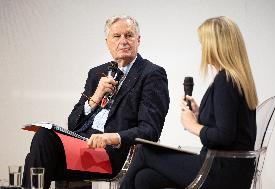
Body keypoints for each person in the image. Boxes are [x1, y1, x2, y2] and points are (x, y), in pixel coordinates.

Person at [22, 15, 170, 189]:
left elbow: (149, 131)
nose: (123, 41)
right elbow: (73, 124)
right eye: (116, 36)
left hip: (112, 154)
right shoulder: (97, 73)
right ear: (107, 42)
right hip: (82, 145)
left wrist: (110, 138)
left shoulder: (151, 74)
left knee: (43, 148)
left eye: (129, 35)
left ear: (138, 40)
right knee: (42, 140)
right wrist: (95, 97)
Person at [119, 16, 258, 189]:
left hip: (221, 171)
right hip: (229, 169)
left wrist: (192, 125)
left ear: (215, 45)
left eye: (203, 43)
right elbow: (229, 128)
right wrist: (199, 114)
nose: (202, 48)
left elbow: (224, 137)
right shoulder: (234, 79)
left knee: (145, 152)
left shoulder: (226, 80)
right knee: (145, 178)